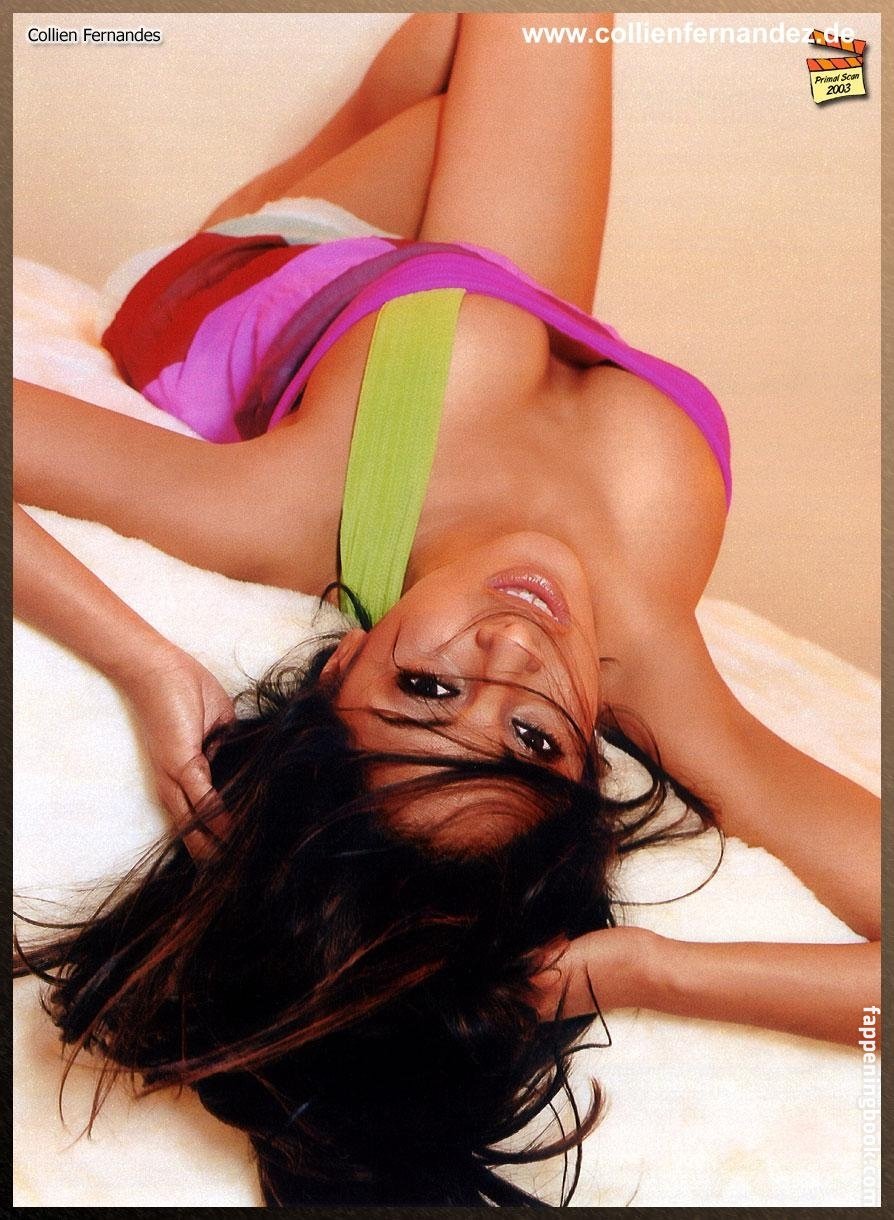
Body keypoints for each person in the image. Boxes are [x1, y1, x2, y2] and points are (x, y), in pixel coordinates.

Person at [13, 12, 879, 1207]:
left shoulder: (286, 512)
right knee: (481, 50)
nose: (515, 649)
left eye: (425, 689)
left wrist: (142, 658)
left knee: (507, 35)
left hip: (250, 268)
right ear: (591, 765)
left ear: (338, 665)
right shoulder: (647, 668)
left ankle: (306, 176)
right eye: (532, 738)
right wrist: (645, 969)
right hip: (460, 272)